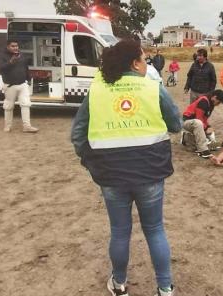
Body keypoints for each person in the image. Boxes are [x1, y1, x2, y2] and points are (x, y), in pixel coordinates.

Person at [71, 39, 181, 296]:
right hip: (149, 172)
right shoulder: (153, 88)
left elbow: (77, 135)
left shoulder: (96, 91)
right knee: (155, 229)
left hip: (110, 175)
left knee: (120, 232)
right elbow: (175, 125)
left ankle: (119, 284)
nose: (146, 64)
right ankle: (165, 288)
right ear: (135, 63)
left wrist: (90, 162)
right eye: (144, 59)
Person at [0, 39, 38, 133]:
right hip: (10, 85)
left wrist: (28, 78)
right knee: (8, 106)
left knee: (26, 104)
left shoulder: (21, 55)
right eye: (13, 46)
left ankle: (27, 126)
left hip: (23, 84)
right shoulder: (1, 56)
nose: (15, 48)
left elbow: (25, 67)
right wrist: (10, 62)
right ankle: (7, 126)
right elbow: (0, 69)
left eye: (17, 46)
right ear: (8, 46)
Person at [181, 90, 223, 158]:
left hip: (195, 123)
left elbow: (204, 119)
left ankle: (186, 138)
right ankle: (203, 151)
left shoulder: (211, 103)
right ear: (215, 97)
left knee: (207, 133)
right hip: (187, 122)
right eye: (219, 102)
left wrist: (209, 127)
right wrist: (206, 128)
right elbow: (199, 119)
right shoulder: (204, 101)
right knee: (199, 124)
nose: (218, 104)